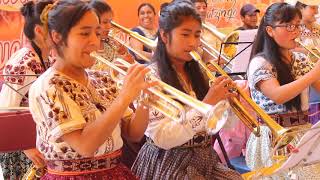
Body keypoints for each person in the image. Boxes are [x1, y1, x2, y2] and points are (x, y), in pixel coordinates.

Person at [28, 0, 155, 178]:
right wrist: (124, 97)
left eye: (97, 33)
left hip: (115, 171)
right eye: (85, 33)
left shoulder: (102, 78)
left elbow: (133, 133)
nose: (95, 42)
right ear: (57, 37)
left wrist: (145, 98)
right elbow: (85, 146)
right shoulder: (48, 86)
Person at [131, 1, 242, 179]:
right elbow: (163, 138)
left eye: (197, 35)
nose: (193, 43)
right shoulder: (151, 77)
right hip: (169, 162)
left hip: (205, 158)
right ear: (165, 36)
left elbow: (223, 127)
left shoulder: (200, 73)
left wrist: (228, 104)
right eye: (185, 35)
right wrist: (207, 103)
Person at [246, 2, 320, 178]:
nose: (295, 31)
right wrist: (314, 73)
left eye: (297, 25)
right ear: (270, 31)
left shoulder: (300, 58)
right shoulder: (260, 63)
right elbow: (278, 95)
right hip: (274, 139)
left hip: (303, 133)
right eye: (289, 26)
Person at [0, 1, 53, 179]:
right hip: (23, 150)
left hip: (35, 144)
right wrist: (25, 146)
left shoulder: (45, 58)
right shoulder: (23, 62)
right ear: (39, 31)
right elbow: (5, 110)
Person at [90, 0, 134, 71]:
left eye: (110, 22)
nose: (109, 26)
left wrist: (124, 53)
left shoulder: (111, 43)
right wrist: (120, 66)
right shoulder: (87, 50)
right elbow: (95, 77)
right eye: (104, 22)